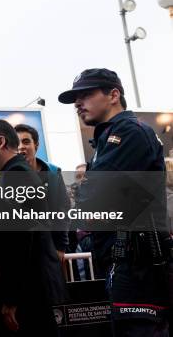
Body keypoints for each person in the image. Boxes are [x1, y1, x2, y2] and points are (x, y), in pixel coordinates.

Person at [59, 68, 171, 336]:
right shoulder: (106, 139)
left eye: (86, 94)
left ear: (113, 95)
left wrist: (89, 195)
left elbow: (94, 199)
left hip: (139, 260)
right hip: (122, 258)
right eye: (76, 97)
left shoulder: (129, 132)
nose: (77, 103)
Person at [0, 119, 66, 336]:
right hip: (27, 288)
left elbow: (20, 241)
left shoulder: (17, 175)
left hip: (27, 293)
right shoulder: (14, 173)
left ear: (0, 141)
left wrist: (11, 299)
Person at [14, 123, 70, 261]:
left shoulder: (52, 173)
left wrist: (60, 247)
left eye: (26, 142)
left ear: (36, 145)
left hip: (50, 249)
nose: (21, 147)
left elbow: (62, 210)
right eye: (16, 143)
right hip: (19, 251)